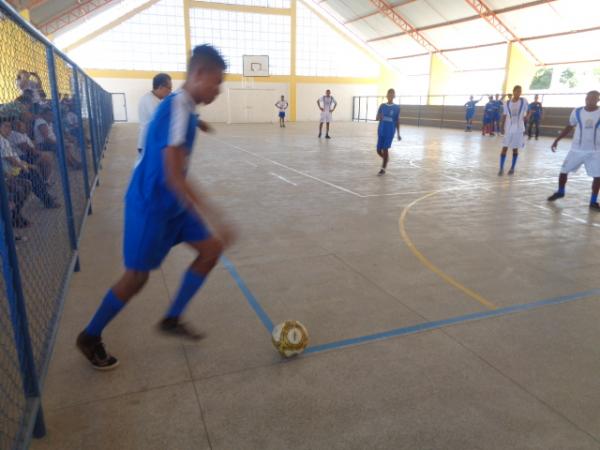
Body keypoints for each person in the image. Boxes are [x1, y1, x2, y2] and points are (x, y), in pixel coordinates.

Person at [76, 44, 236, 370]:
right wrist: (216, 215)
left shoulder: (186, 106)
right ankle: (90, 336)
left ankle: (172, 318)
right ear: (199, 74)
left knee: (211, 250)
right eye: (216, 82)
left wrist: (200, 124)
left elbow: (184, 126)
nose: (218, 89)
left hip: (173, 207)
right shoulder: (176, 108)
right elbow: (174, 176)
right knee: (136, 279)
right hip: (151, 206)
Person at [547, 91, 600, 211]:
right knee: (563, 171)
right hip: (576, 150)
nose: (590, 100)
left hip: (595, 151)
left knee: (597, 176)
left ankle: (593, 201)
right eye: (589, 97)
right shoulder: (577, 111)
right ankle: (560, 192)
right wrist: (557, 140)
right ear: (586, 98)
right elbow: (569, 126)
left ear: (598, 100)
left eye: (594, 98)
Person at [0, 119, 60, 209]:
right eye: (5, 126)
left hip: (15, 167)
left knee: (33, 172)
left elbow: (14, 158)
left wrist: (26, 165)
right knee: (32, 175)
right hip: (11, 171)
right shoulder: (2, 141)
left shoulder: (4, 139)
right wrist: (24, 167)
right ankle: (47, 200)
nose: (9, 129)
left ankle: (47, 198)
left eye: (10, 126)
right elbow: (11, 159)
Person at [137, 73, 172, 153]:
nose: (170, 92)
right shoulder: (149, 100)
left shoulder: (157, 99)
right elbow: (162, 121)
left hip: (152, 142)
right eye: (169, 88)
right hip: (147, 144)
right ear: (160, 87)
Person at [498, 85, 529, 176]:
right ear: (514, 91)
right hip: (508, 129)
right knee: (504, 148)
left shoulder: (523, 101)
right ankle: (501, 168)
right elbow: (504, 115)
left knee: (515, 149)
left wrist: (527, 117)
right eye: (517, 91)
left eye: (520, 91)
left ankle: (512, 168)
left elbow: (529, 110)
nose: (519, 93)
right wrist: (502, 126)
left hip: (518, 129)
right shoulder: (507, 103)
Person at [375, 88, 401, 176]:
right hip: (381, 130)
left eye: (392, 94)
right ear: (387, 95)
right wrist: (380, 117)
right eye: (389, 94)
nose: (390, 95)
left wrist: (398, 134)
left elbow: (397, 121)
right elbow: (377, 118)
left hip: (390, 131)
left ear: (394, 96)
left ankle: (383, 169)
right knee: (378, 150)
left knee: (385, 149)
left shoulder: (397, 108)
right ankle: (385, 159)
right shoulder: (382, 106)